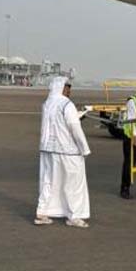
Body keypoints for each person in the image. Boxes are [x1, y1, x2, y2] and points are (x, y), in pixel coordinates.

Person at [35, 77, 92, 228]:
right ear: (61, 87)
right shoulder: (67, 104)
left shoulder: (47, 103)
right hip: (68, 151)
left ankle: (42, 212)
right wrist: (84, 148)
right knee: (73, 183)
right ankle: (74, 216)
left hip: (48, 149)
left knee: (47, 181)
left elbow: (57, 123)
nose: (69, 91)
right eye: (67, 87)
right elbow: (74, 127)